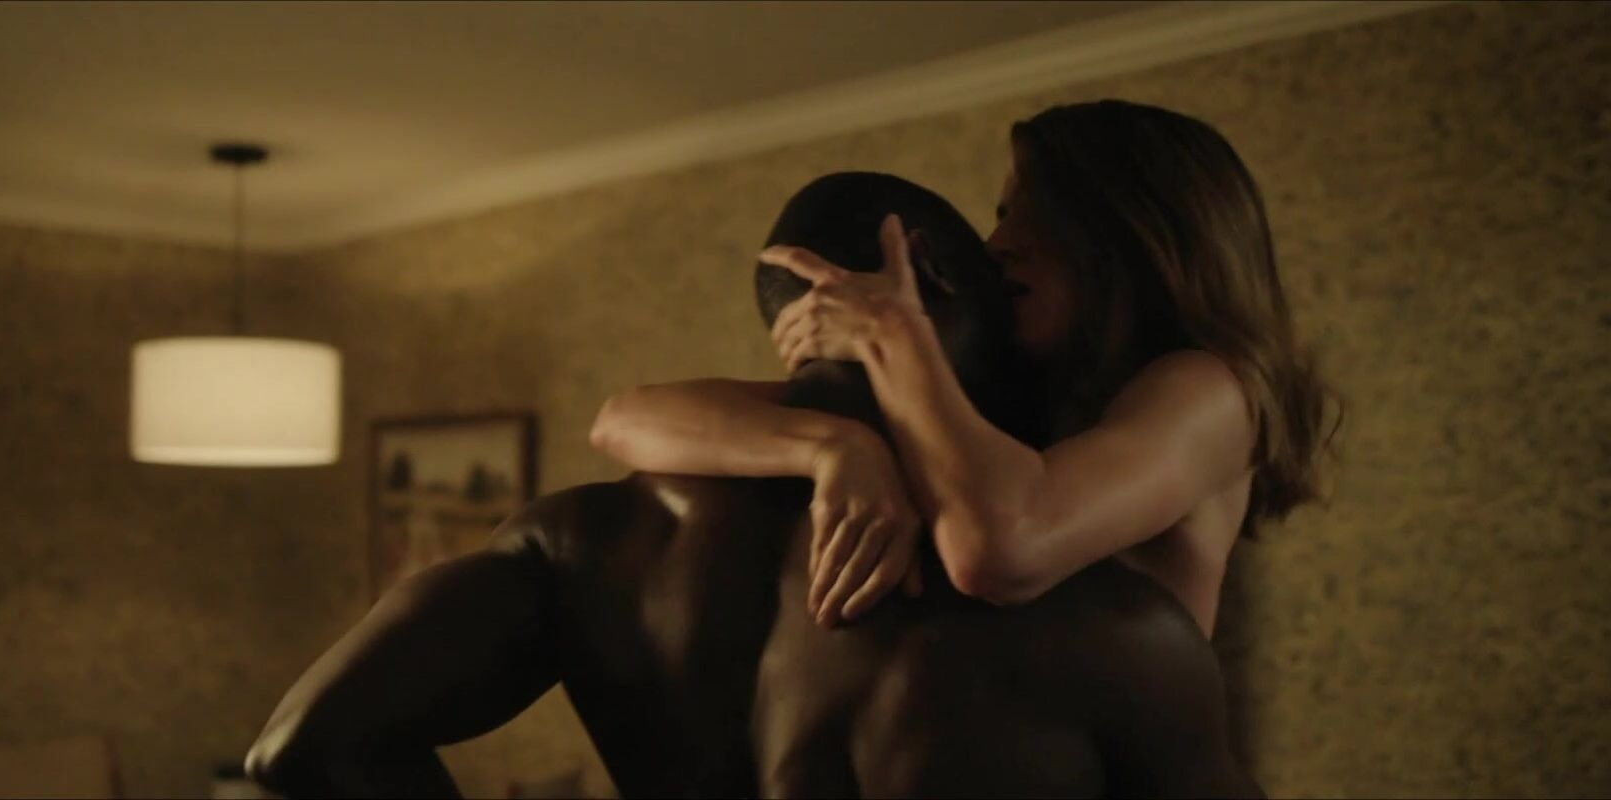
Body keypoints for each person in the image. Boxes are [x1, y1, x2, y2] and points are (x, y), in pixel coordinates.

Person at [243, 172, 1260, 799]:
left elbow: (303, 747)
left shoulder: (575, 540)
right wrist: (840, 449)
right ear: (931, 278)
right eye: (997, 267)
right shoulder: (1112, 626)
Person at [590, 100, 1339, 636]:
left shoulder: (1212, 390)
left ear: (1134, 228)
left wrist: (891, 332)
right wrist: (836, 448)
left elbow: (1004, 549)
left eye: (1031, 212)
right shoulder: (1007, 399)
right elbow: (625, 421)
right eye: (1000, 214)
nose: (996, 243)